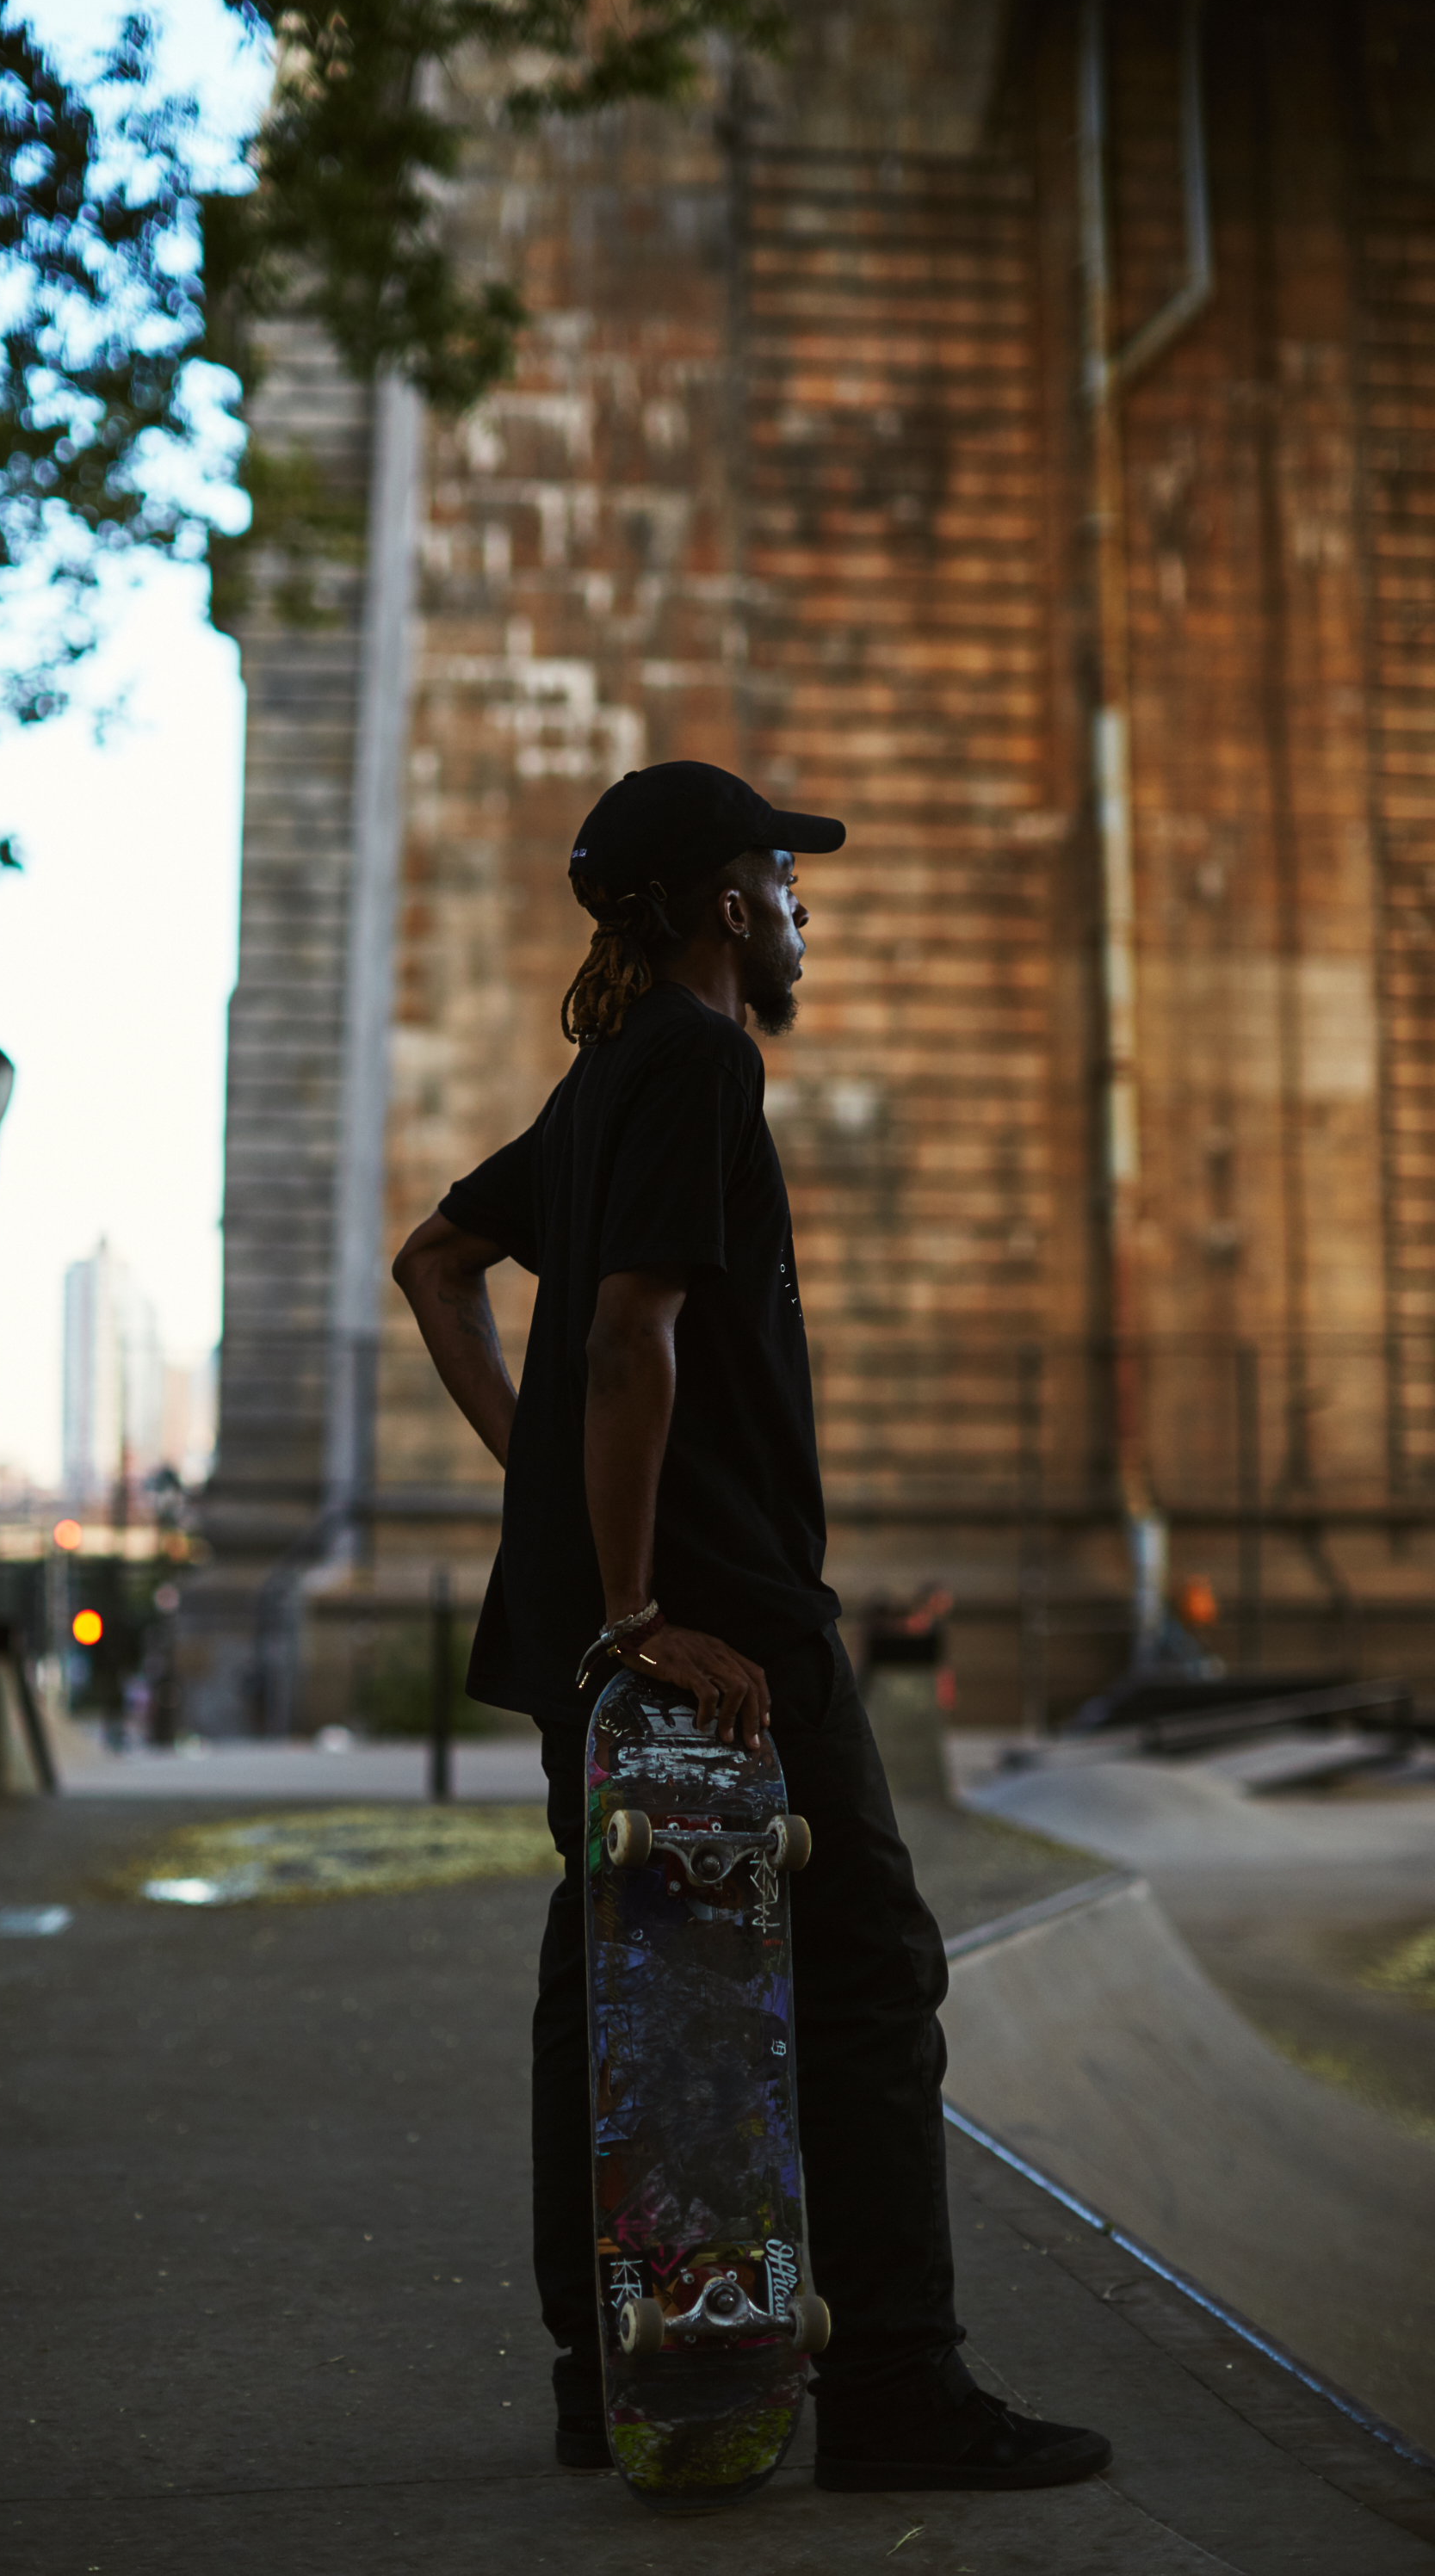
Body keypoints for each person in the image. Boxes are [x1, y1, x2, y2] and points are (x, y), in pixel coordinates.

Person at [392, 760, 1110, 2493]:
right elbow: (629, 1331)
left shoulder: (604, 1081)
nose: (805, 908)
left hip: (620, 1611)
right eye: (785, 881)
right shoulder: (700, 1060)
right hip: (716, 1618)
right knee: (868, 1974)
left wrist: (562, 1524)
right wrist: (639, 1602)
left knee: (612, 1971)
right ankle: (897, 2396)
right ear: (729, 906)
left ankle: (608, 2377)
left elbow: (434, 1263)